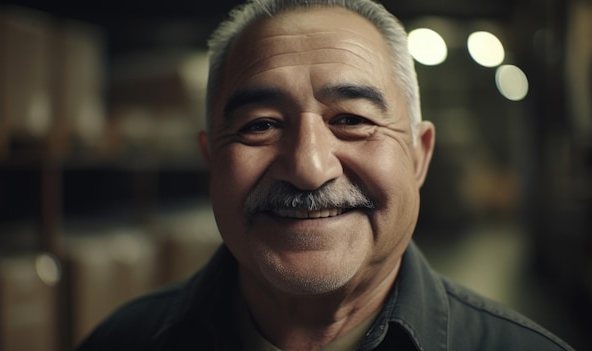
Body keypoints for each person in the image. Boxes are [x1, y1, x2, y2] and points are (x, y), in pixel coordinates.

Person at [77, 0, 575, 350]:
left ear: (419, 157)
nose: (309, 167)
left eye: (352, 120)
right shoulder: (123, 341)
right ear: (212, 160)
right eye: (261, 126)